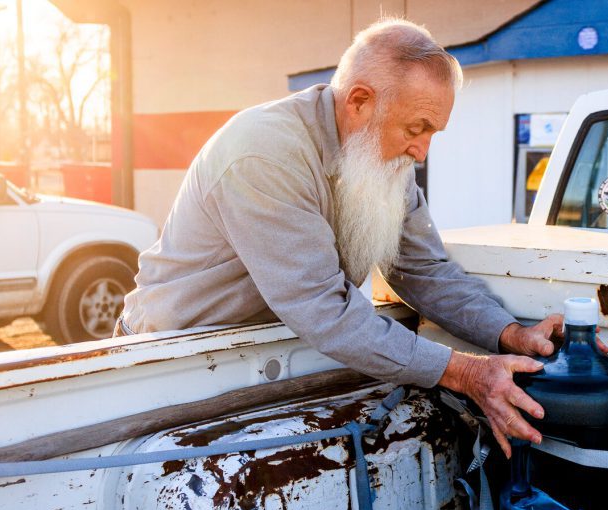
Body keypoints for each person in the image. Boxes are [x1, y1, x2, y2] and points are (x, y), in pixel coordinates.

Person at [118, 19, 561, 457]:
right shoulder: (263, 153)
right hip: (167, 364)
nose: (422, 152)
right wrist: (465, 372)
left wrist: (508, 332)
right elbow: (323, 309)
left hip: (267, 362)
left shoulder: (389, 164)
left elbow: (423, 269)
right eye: (415, 128)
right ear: (360, 102)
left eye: (432, 133)